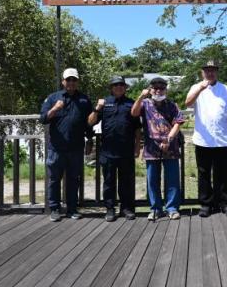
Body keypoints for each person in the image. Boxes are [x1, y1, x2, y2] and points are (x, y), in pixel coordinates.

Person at [185, 60, 227, 218]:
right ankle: (206, 204)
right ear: (202, 72)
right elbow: (187, 103)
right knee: (204, 173)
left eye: (213, 70)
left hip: (223, 139)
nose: (210, 73)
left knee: (225, 174)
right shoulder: (196, 87)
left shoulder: (225, 89)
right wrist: (200, 88)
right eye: (207, 70)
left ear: (217, 72)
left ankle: (225, 203)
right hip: (203, 139)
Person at [40, 68, 93, 221]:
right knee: (54, 179)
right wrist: (55, 108)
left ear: (77, 82)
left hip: (76, 148)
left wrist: (89, 140)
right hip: (56, 148)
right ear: (63, 81)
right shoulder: (52, 98)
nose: (71, 82)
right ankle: (54, 209)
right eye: (68, 80)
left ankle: (72, 209)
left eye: (74, 80)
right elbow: (43, 118)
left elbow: (88, 124)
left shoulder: (84, 100)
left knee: (73, 179)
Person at [88, 76, 141, 222]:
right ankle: (110, 209)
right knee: (109, 182)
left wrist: (137, 147)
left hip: (126, 151)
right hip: (107, 151)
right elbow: (90, 122)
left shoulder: (132, 104)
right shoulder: (104, 103)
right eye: (115, 85)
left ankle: (127, 208)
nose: (118, 87)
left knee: (127, 182)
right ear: (111, 88)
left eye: (121, 85)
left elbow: (137, 129)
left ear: (125, 87)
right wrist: (97, 108)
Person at [131, 77, 185, 220]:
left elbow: (178, 122)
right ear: (150, 89)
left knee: (172, 180)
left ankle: (172, 208)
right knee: (152, 180)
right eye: (155, 88)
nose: (158, 90)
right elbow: (134, 113)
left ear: (166, 89)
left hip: (170, 147)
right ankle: (155, 208)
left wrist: (168, 139)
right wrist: (141, 96)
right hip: (151, 149)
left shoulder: (172, 105)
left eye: (161, 88)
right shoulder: (145, 104)